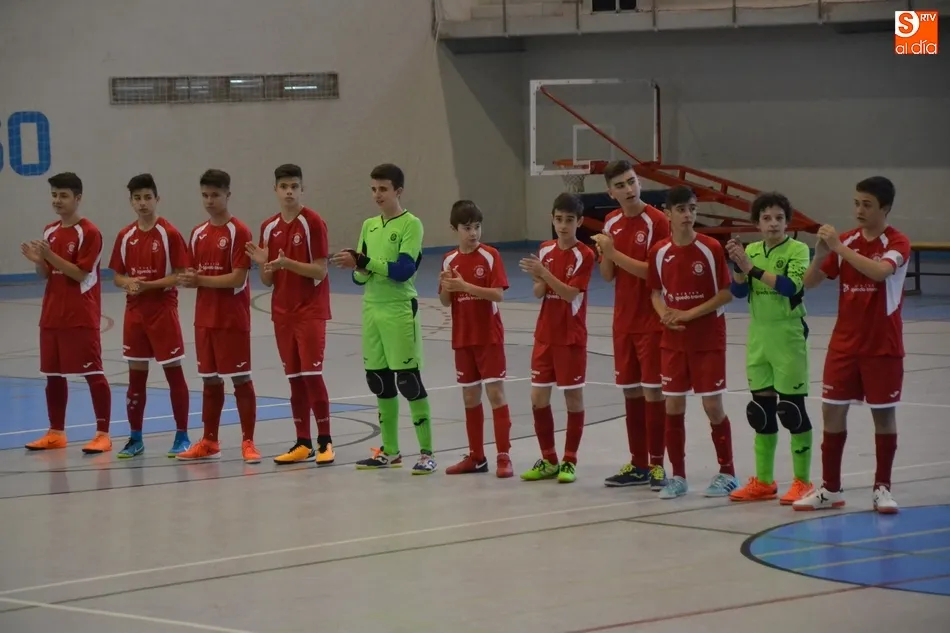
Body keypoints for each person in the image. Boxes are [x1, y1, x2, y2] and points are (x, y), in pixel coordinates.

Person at [794, 176, 907, 514]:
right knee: (832, 411)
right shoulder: (846, 241)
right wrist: (820, 255)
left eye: (867, 205)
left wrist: (840, 249)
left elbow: (880, 272)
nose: (859, 210)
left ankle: (882, 488)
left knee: (883, 416)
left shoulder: (897, 242)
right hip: (844, 344)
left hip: (882, 346)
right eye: (856, 203)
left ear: (885, 208)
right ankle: (830, 489)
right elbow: (810, 283)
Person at [329, 163, 436, 474]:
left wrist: (365, 262)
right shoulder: (369, 226)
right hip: (371, 309)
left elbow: (404, 271)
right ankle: (390, 451)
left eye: (383, 189)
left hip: (398, 309)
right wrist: (358, 267)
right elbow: (359, 277)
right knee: (379, 380)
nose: (377, 195)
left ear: (398, 191)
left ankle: (427, 454)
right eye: (374, 189)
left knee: (409, 381)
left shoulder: (411, 224)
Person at [646, 185, 738, 499]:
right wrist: (665, 316)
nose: (688, 215)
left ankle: (728, 472)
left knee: (712, 405)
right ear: (668, 214)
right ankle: (678, 476)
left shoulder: (710, 248)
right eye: (681, 209)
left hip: (707, 339)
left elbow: (725, 294)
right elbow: (655, 293)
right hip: (673, 342)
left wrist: (687, 314)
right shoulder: (659, 252)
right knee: (673, 405)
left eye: (692, 209)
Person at [725, 192, 814, 504]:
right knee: (760, 412)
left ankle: (803, 482)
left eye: (779, 218)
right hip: (758, 335)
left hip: (787, 335)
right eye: (766, 218)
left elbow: (791, 287)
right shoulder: (751, 250)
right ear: (757, 223)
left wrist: (750, 268)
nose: (773, 223)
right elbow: (738, 292)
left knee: (791, 410)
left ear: (787, 222)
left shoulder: (798, 250)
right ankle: (764, 481)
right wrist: (737, 266)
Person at [246, 164, 335, 465]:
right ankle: (303, 442)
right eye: (284, 187)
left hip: (310, 311)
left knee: (312, 376)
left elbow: (320, 271)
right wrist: (264, 263)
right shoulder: (268, 227)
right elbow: (268, 280)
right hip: (282, 313)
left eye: (294, 187)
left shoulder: (313, 222)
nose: (289, 192)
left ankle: (325, 441)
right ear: (275, 190)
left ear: (302, 189)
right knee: (294, 379)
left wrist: (287, 263)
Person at [591, 160, 670, 490]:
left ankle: (657, 465)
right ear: (611, 192)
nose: (628, 189)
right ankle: (638, 463)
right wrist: (604, 253)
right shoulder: (611, 222)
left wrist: (613, 252)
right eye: (620, 185)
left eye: (632, 181)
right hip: (623, 321)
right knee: (631, 390)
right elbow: (608, 275)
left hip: (651, 320)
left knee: (654, 390)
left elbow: (654, 273)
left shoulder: (657, 221)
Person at [21, 172, 112, 454]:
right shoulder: (50, 231)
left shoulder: (90, 232)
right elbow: (47, 274)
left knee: (93, 372)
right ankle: (56, 432)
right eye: (54, 195)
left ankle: (103, 434)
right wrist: (39, 262)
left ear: (78, 198)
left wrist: (49, 256)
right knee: (53, 375)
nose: (57, 201)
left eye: (63, 195)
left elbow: (79, 273)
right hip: (52, 315)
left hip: (80, 315)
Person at [175, 169, 260, 464]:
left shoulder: (239, 232)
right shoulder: (198, 233)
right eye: (205, 195)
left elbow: (237, 278)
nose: (209, 201)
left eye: (215, 195)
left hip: (232, 319)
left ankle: (248, 442)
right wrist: (188, 278)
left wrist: (200, 280)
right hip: (204, 319)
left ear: (228, 195)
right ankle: (210, 441)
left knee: (240, 378)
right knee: (209, 380)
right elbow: (193, 272)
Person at [109, 173, 192, 458]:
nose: (142, 203)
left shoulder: (169, 234)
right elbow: (117, 277)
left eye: (147, 197)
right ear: (131, 202)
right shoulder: (125, 236)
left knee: (173, 373)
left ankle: (182, 435)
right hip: (135, 314)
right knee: (136, 378)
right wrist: (128, 283)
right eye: (137, 198)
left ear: (157, 199)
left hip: (163, 312)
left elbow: (180, 275)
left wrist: (149, 285)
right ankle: (135, 438)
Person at [518, 193, 594, 484]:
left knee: (573, 398)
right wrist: (537, 278)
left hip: (570, 336)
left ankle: (570, 461)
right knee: (538, 398)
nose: (563, 225)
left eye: (569, 220)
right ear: (552, 219)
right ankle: (549, 459)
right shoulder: (545, 250)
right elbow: (540, 292)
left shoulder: (584, 255)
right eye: (559, 219)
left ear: (579, 222)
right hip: (545, 334)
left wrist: (545, 274)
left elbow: (570, 294)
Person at [438, 200, 513, 478]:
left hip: (488, 336)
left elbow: (498, 294)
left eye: (477, 227)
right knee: (470, 396)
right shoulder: (449, 260)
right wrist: (447, 286)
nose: (473, 233)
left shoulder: (490, 255)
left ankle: (504, 456)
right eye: (467, 228)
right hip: (463, 337)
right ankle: (477, 457)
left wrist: (465, 285)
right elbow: (445, 301)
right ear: (454, 229)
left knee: (495, 393)